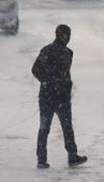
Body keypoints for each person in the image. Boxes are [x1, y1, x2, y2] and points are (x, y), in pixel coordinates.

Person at [31, 24, 87, 169]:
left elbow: (37, 70)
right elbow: (36, 70)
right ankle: (62, 156)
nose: (67, 38)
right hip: (54, 96)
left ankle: (46, 158)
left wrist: (48, 82)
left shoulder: (64, 52)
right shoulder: (53, 52)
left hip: (53, 95)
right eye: (66, 35)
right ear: (60, 35)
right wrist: (50, 82)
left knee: (51, 127)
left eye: (68, 35)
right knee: (58, 127)